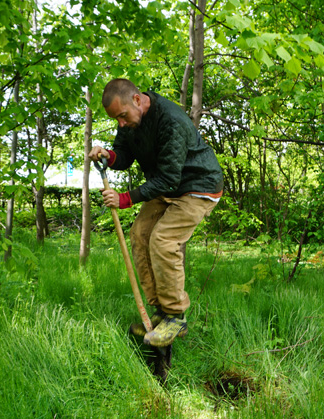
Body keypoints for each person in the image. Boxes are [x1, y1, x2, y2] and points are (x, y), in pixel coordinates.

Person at [88, 78, 223, 347]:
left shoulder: (170, 120)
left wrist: (125, 199)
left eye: (123, 116)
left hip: (198, 186)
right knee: (140, 234)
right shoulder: (128, 121)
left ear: (137, 100)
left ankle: (175, 317)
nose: (121, 124)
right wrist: (109, 156)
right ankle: (160, 314)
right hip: (168, 187)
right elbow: (125, 155)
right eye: (117, 119)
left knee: (163, 240)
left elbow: (169, 178)